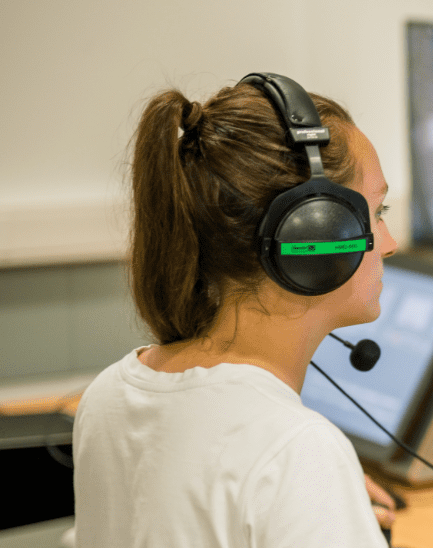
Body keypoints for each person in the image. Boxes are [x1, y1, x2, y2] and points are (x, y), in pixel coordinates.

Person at [71, 75, 401, 547]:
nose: (390, 244)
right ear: (312, 230)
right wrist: (314, 491)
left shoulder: (108, 396)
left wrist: (319, 506)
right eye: (378, 211)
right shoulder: (296, 449)